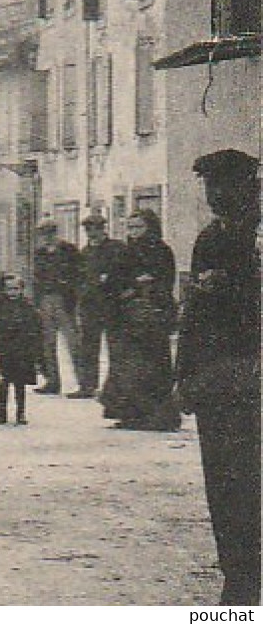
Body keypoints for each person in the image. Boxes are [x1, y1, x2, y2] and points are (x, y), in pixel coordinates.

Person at [177, 149, 261, 605]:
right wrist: (184, 374)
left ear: (249, 185)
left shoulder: (258, 238)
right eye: (209, 187)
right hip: (218, 382)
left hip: (255, 377)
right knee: (225, 482)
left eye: (222, 186)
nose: (214, 196)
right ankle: (240, 579)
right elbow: (195, 313)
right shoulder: (209, 238)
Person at [102, 208, 179, 431]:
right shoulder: (125, 252)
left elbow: (165, 281)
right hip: (127, 317)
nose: (134, 232)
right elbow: (114, 281)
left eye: (138, 227)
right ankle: (130, 415)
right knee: (128, 368)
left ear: (151, 227)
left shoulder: (162, 251)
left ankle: (157, 417)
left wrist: (141, 287)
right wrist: (132, 286)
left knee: (152, 367)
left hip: (151, 318)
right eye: (131, 227)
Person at [73, 213, 126, 400]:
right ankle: (88, 385)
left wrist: (107, 279)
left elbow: (120, 273)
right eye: (88, 229)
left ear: (104, 228)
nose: (92, 233)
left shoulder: (116, 248)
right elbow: (80, 278)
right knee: (88, 347)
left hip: (112, 305)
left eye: (96, 228)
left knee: (116, 348)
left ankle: (115, 387)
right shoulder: (85, 252)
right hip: (90, 306)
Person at [31, 219, 81, 395]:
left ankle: (82, 382)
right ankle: (52, 381)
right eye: (44, 233)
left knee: (73, 343)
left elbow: (77, 275)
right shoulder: (39, 253)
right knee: (47, 344)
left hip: (64, 300)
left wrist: (73, 298)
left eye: (50, 232)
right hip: (45, 300)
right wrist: (37, 302)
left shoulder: (69, 250)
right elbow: (36, 278)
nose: (47, 237)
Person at [0, 274, 42, 425]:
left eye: (16, 289)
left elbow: (35, 327)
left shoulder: (27, 307)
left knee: (20, 383)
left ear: (22, 290)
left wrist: (32, 348)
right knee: (3, 382)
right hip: (4, 349)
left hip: (22, 349)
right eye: (9, 289)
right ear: (3, 290)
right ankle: (2, 412)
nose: (12, 292)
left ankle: (20, 413)